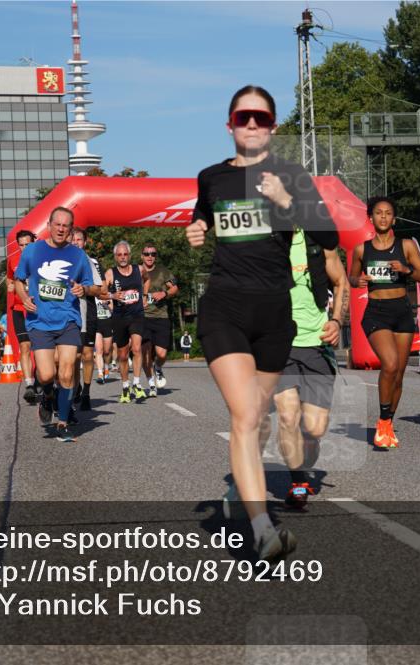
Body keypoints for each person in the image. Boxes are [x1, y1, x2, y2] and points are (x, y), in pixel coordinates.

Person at [186, 84, 338, 559]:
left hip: (275, 315)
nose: (251, 124)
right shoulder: (211, 178)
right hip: (225, 307)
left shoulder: (292, 174)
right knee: (246, 416)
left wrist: (287, 202)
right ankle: (262, 530)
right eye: (243, 117)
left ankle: (243, 491)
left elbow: (330, 236)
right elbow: (202, 218)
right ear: (229, 124)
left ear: (272, 127)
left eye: (261, 118)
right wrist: (197, 229)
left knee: (257, 415)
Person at [266, 235, 348, 509]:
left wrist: (337, 321)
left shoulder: (318, 241)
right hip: (280, 345)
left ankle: (305, 454)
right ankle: (298, 482)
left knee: (314, 428)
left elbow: (341, 282)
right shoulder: (265, 241)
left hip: (316, 345)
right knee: (287, 416)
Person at [348, 196, 420, 448]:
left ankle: (387, 422)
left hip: (402, 311)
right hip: (376, 312)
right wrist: (357, 280)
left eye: (388, 213)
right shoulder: (362, 249)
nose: (383, 217)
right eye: (379, 213)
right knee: (389, 364)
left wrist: (407, 270)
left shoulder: (406, 246)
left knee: (398, 374)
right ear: (371, 218)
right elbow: (351, 277)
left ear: (394, 219)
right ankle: (383, 420)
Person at [13, 207, 97, 442]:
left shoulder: (78, 255)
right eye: (57, 224)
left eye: (65, 225)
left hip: (69, 320)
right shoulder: (32, 250)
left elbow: (92, 286)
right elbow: (19, 280)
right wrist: (24, 297)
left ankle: (62, 422)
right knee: (47, 374)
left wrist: (83, 289)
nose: (61, 229)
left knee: (67, 372)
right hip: (39, 321)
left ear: (70, 229)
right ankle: (48, 396)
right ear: (49, 225)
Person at [102, 241, 147, 403]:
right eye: (119, 255)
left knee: (136, 348)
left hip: (136, 315)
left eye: (125, 254)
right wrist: (112, 296)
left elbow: (147, 280)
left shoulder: (139, 269)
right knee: (122, 355)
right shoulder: (110, 273)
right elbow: (101, 293)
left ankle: (137, 383)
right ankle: (125, 386)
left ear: (130, 255)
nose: (122, 257)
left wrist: (145, 296)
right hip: (120, 317)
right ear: (115, 257)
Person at [69, 226, 105, 411]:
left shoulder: (89, 261)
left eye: (79, 240)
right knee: (74, 356)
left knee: (87, 354)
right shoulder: (61, 259)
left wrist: (84, 289)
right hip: (68, 312)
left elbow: (100, 289)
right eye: (73, 239)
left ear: (84, 242)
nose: (76, 243)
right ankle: (74, 389)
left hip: (88, 310)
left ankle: (86, 392)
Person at [140, 242, 179, 397]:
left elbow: (175, 288)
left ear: (155, 256)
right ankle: (151, 384)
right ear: (142, 256)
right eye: (147, 254)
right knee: (145, 353)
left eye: (153, 254)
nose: (150, 257)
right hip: (142, 317)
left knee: (161, 354)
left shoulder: (162, 271)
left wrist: (164, 293)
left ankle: (158, 367)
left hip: (161, 316)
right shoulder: (136, 271)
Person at [7, 229, 38, 403]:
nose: (25, 248)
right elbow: (9, 279)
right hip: (19, 308)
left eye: (28, 244)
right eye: (21, 245)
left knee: (40, 347)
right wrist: (11, 286)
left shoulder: (42, 259)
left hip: (38, 308)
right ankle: (29, 384)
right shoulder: (13, 260)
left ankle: (42, 378)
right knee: (24, 346)